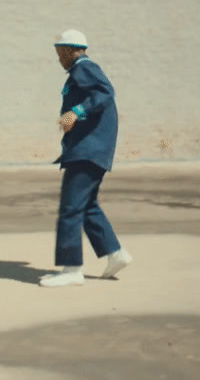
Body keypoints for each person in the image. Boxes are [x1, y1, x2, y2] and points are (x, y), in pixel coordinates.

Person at [40, 29, 133, 288]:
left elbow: (105, 93)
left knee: (70, 209)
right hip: (90, 150)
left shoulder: (84, 67)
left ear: (71, 50)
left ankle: (72, 269)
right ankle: (116, 254)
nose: (59, 58)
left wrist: (75, 112)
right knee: (86, 206)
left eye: (60, 53)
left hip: (87, 150)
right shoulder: (81, 70)